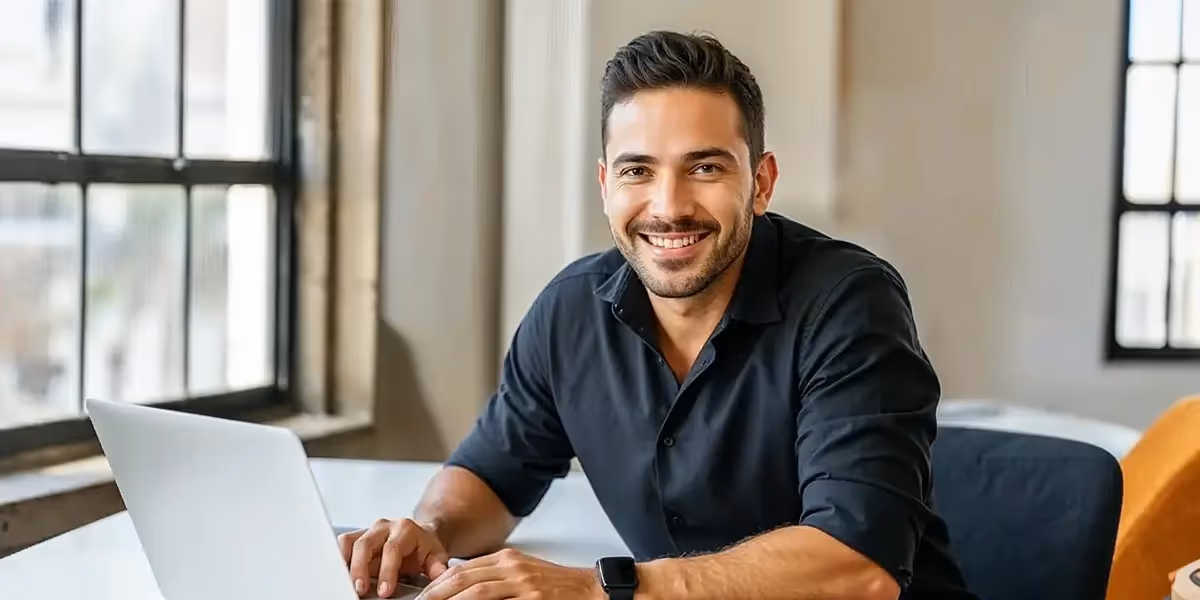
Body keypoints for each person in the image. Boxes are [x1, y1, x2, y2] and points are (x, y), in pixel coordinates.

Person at [340, 31, 978, 600]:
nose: (668, 207)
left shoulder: (848, 303)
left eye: (704, 167)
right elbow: (492, 474)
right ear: (605, 185)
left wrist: (597, 590)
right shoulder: (570, 310)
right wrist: (428, 531)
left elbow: (858, 569)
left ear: (760, 182)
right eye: (637, 171)